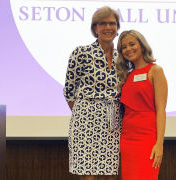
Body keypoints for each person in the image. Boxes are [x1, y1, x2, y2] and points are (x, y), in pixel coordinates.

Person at [63, 6, 122, 180]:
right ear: (95, 28)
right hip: (85, 120)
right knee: (88, 174)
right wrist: (85, 112)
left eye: (112, 23)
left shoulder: (123, 57)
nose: (108, 27)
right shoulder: (81, 53)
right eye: (102, 23)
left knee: (111, 173)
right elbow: (69, 91)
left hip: (113, 121)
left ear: (117, 28)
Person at [116, 30, 168, 180]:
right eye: (124, 47)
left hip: (147, 139)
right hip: (127, 140)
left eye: (132, 44)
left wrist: (159, 144)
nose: (128, 49)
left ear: (142, 45)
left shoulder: (155, 71)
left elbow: (161, 110)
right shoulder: (127, 75)